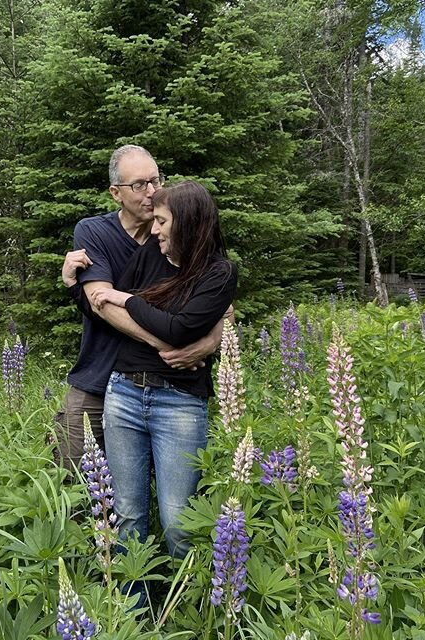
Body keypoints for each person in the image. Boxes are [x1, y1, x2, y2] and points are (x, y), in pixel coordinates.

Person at [89, 181, 238, 558]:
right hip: (124, 391)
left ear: (186, 223)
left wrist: (131, 301)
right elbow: (109, 308)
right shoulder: (150, 256)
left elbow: (179, 327)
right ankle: (130, 610)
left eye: (161, 221)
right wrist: (160, 335)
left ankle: (184, 610)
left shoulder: (219, 272)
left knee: (178, 521)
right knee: (126, 514)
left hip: (180, 401)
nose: (154, 230)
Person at [55, 146, 224, 472]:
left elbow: (221, 300)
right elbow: (102, 303)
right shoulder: (94, 231)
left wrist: (209, 343)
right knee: (74, 482)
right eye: (139, 185)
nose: (152, 192)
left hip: (167, 389)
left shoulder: (178, 233)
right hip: (98, 379)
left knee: (157, 496)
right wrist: (168, 343)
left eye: (155, 181)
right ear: (115, 193)